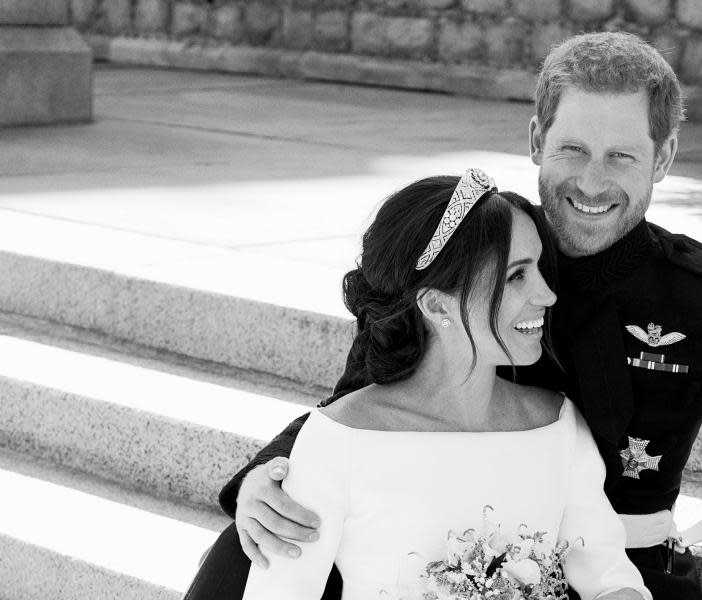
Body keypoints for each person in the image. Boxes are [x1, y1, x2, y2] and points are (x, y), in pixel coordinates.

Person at [212, 32, 702, 600]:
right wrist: (259, 481)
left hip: (621, 575)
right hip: (437, 569)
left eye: (622, 156)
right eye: (572, 150)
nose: (592, 181)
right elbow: (371, 395)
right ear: (535, 140)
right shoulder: (465, 263)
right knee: (266, 539)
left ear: (663, 158)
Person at [185, 170, 652, 600]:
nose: (547, 295)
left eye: (538, 269)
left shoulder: (557, 427)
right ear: (437, 305)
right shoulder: (340, 441)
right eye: (516, 276)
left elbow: (609, 577)